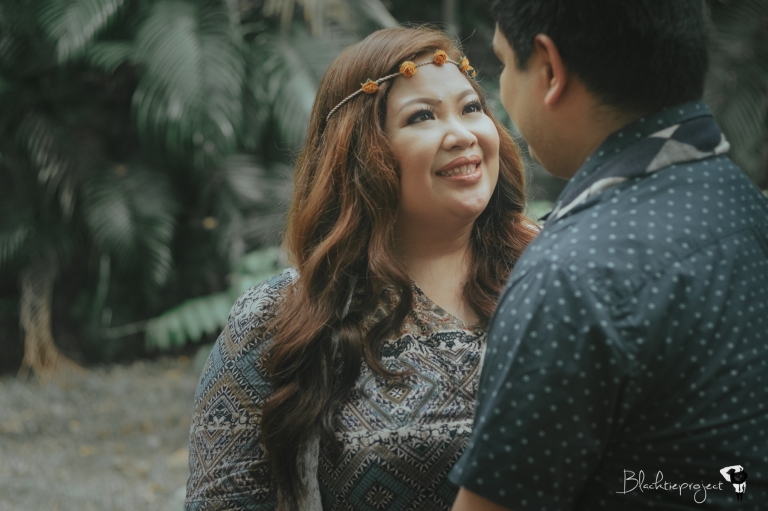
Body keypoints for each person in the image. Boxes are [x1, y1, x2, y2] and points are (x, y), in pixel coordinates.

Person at [184, 27, 537, 511]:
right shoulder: (280, 319)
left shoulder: (554, 274)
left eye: (472, 107)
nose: (462, 134)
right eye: (422, 116)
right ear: (361, 151)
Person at [450, 1, 768, 510]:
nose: (501, 91)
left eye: (505, 63)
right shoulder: (744, 205)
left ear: (550, 69)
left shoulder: (572, 271)